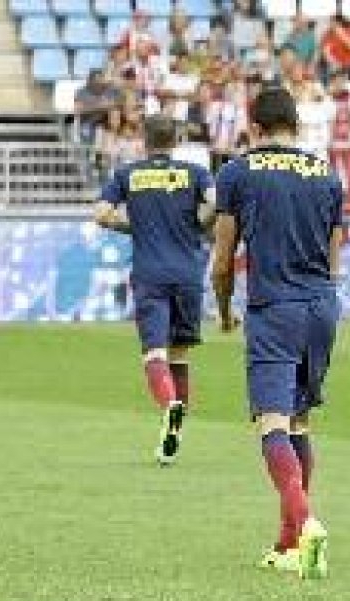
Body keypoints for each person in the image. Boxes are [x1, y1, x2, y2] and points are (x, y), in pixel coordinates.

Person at [210, 87, 343, 580]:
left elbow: (223, 261)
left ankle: (306, 524)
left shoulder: (238, 172)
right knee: (300, 423)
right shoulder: (327, 174)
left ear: (254, 126)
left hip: (274, 307)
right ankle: (288, 543)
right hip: (322, 306)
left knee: (271, 424)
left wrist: (224, 312)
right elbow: (334, 254)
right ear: (296, 124)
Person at [93, 115, 216, 467]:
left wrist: (133, 226)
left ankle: (169, 406)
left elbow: (101, 213)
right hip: (188, 274)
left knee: (154, 354)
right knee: (180, 354)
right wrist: (198, 223)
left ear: (144, 140)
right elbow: (218, 202)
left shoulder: (128, 174)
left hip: (150, 274)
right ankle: (175, 429)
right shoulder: (194, 173)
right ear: (176, 139)